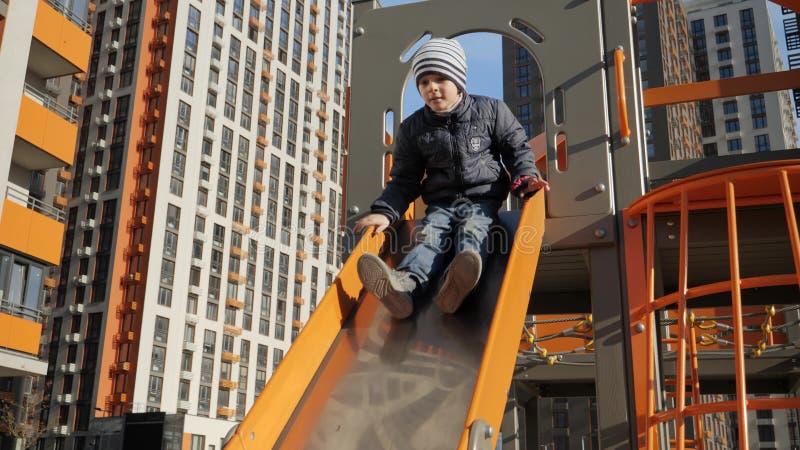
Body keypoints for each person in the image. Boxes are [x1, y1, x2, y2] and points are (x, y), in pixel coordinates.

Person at [353, 38, 549, 319]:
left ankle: (454, 282)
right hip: (441, 203)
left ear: (458, 80)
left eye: (440, 79)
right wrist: (385, 213)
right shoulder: (413, 127)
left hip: (482, 198)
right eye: (424, 82)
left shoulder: (491, 111)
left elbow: (516, 148)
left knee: (473, 232)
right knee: (430, 239)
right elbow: (404, 179)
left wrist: (526, 179)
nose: (431, 88)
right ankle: (403, 288)